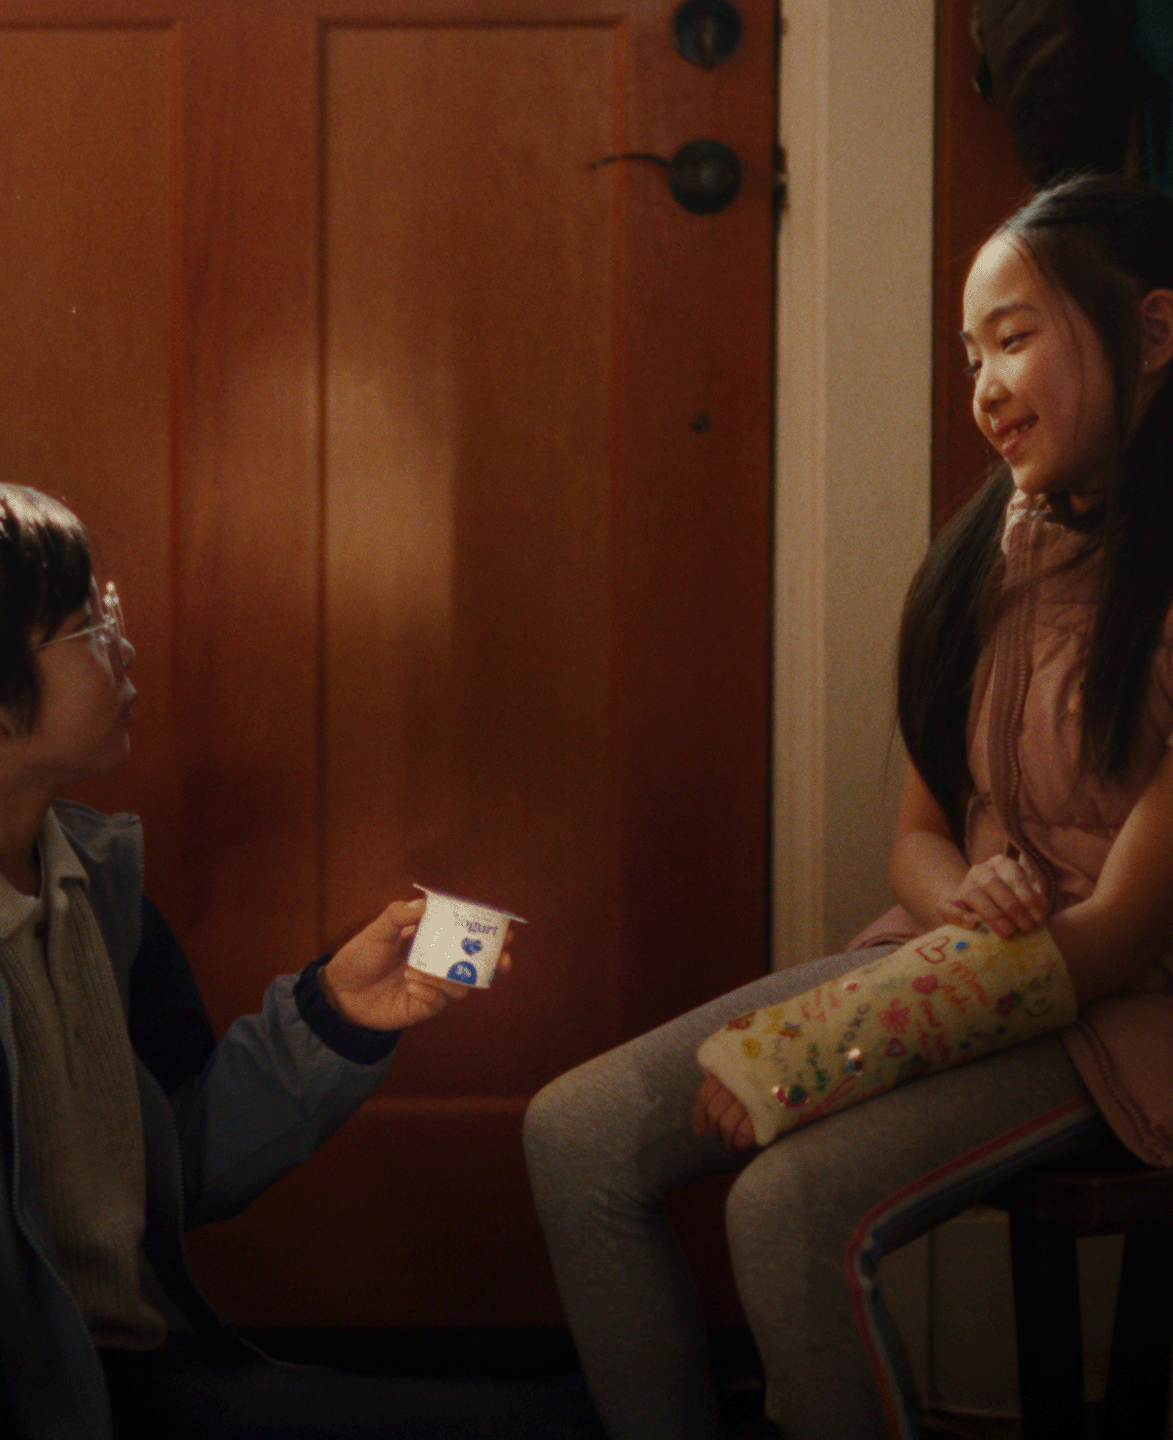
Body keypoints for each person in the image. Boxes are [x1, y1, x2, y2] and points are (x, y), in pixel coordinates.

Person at [0, 478, 592, 1440]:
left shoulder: (86, 882)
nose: (121, 642)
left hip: (135, 1381)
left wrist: (335, 1021)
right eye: (84, 623)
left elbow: (166, 1168)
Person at [523, 172, 1173, 1440]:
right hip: (966, 968)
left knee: (786, 1210)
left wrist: (821, 1054)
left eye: (1017, 336)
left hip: (1126, 1018)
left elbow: (1111, 946)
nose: (983, 382)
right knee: (577, 1137)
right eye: (970, 350)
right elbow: (920, 843)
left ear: (1153, 332)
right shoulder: (989, 563)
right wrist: (967, 899)